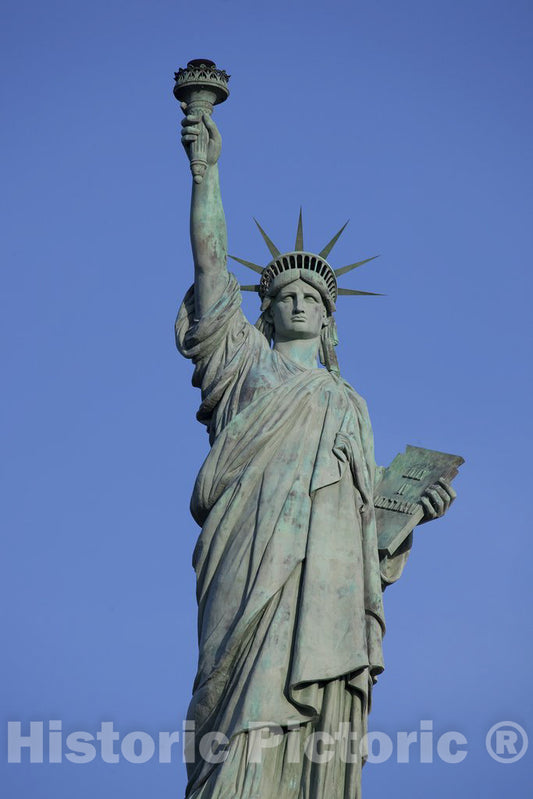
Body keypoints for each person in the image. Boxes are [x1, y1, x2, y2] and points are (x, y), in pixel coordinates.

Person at [175, 107, 455, 799]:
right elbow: (211, 265)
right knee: (236, 699)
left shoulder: (347, 403)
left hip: (324, 581)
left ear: (329, 320)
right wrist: (204, 171)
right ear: (261, 311)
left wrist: (410, 511)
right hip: (249, 551)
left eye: (312, 298)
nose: (298, 303)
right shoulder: (240, 366)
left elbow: (366, 523)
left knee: (317, 726)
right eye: (283, 295)